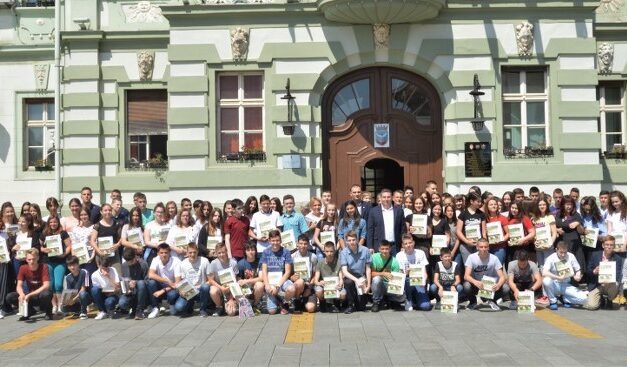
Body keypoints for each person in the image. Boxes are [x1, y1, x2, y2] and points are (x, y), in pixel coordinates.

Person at [6, 248, 53, 321]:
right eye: (29, 259)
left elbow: (46, 285)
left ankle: (48, 312)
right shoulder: (23, 268)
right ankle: (29, 311)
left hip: (40, 295)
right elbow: (18, 285)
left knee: (46, 294)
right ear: (26, 259)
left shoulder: (44, 267)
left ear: (38, 258)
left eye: (33, 259)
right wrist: (21, 294)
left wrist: (29, 295)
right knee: (10, 297)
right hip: (29, 296)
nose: (31, 261)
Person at [463, 239, 509, 311]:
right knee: (466, 285)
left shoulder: (494, 258)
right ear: (477, 247)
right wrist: (475, 282)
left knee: (506, 287)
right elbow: (466, 276)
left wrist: (498, 285)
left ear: (488, 247)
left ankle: (493, 301)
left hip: (491, 286)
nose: (483, 249)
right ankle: (473, 302)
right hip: (478, 285)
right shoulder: (471, 257)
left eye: (485, 247)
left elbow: (502, 277)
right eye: (481, 247)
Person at [39, 216, 72, 315]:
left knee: (58, 284)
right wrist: (43, 249)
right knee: (51, 285)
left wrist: (64, 254)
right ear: (48, 223)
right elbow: (39, 246)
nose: (53, 224)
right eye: (51, 222)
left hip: (60, 262)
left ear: (58, 223)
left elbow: (69, 245)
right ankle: (54, 305)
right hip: (48, 261)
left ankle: (60, 305)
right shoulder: (44, 233)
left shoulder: (63, 233)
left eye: (55, 222)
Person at [542, 241, 587, 310]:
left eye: (565, 252)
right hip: (554, 284)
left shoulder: (571, 256)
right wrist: (557, 277)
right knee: (546, 280)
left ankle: (565, 299)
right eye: (561, 252)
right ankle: (553, 301)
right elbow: (544, 272)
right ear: (556, 250)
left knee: (584, 298)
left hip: (566, 285)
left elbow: (578, 270)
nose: (563, 255)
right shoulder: (551, 258)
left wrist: (578, 276)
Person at [261, 230, 296, 315]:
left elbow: (287, 272)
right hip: (270, 282)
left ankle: (285, 302)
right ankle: (277, 298)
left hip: (282, 281)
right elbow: (264, 271)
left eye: (277, 240)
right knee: (272, 312)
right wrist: (267, 285)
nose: (275, 243)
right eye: (273, 240)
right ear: (269, 240)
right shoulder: (266, 252)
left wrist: (277, 286)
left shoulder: (286, 252)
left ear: (280, 241)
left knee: (292, 288)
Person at [584, 236, 624, 310]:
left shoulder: (617, 258)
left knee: (615, 285)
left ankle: (609, 299)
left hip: (610, 285)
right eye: (607, 245)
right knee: (592, 306)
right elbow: (588, 270)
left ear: (614, 246)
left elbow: (618, 274)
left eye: (611, 245)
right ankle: (600, 299)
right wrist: (594, 271)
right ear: (603, 245)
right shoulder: (594, 255)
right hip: (596, 285)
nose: (609, 247)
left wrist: (610, 280)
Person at [396, 234, 431, 311]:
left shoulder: (421, 253)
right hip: (407, 281)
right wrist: (406, 273)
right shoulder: (399, 255)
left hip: (419, 281)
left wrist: (424, 281)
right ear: (402, 245)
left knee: (426, 306)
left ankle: (415, 299)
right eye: (406, 243)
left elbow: (425, 272)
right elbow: (400, 275)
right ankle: (408, 300)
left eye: (410, 242)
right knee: (407, 280)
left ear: (413, 243)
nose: (408, 245)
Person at [340, 230, 371, 313]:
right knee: (348, 282)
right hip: (350, 277)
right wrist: (356, 280)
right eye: (349, 240)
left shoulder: (365, 250)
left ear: (357, 240)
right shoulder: (343, 252)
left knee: (361, 307)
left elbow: (368, 268)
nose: (352, 242)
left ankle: (359, 301)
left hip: (362, 277)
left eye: (353, 240)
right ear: (346, 242)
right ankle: (350, 305)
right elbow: (345, 272)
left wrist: (368, 284)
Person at [147, 243, 182, 318]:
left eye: (166, 252)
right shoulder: (155, 259)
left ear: (170, 253)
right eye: (161, 253)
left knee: (171, 295)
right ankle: (155, 308)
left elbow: (178, 283)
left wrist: (163, 290)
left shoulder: (176, 261)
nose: (164, 255)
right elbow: (150, 274)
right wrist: (166, 281)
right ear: (158, 253)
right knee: (151, 282)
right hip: (164, 283)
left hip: (173, 287)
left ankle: (171, 303)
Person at [176, 243, 211, 317]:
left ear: (198, 252)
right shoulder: (183, 264)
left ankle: (203, 310)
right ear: (187, 252)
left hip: (201, 290)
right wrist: (181, 290)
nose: (192, 254)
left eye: (194, 252)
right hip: (189, 290)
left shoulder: (205, 261)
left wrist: (200, 286)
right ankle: (189, 307)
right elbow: (181, 281)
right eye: (190, 252)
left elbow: (210, 280)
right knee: (179, 307)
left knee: (205, 287)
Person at [367, 189, 405, 254]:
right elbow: (370, 230)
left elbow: (403, 229)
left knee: (395, 264)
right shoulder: (373, 211)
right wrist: (370, 246)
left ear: (392, 198)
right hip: (379, 246)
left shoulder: (399, 211)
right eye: (384, 197)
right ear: (381, 198)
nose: (386, 199)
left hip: (395, 246)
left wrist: (403, 245)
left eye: (388, 197)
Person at [312, 241, 345, 313]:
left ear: (334, 251)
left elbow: (341, 278)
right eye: (327, 251)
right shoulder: (320, 263)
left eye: (331, 251)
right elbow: (315, 280)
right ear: (324, 251)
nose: (329, 253)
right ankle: (322, 303)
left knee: (343, 294)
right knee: (318, 291)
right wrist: (320, 282)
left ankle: (337, 303)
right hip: (324, 286)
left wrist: (340, 283)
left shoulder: (339, 262)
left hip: (336, 286)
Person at [555, 197, 585, 273]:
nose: (569, 207)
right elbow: (553, 227)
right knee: (563, 266)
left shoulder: (576, 215)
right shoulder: (558, 215)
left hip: (574, 243)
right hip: (562, 242)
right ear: (563, 205)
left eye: (571, 204)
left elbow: (581, 231)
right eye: (567, 204)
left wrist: (578, 224)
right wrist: (557, 230)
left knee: (575, 265)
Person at [90, 204, 123, 273]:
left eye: (109, 210)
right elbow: (92, 241)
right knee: (103, 277)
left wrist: (117, 245)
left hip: (114, 255)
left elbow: (121, 238)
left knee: (118, 275)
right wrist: (98, 251)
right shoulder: (97, 225)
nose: (107, 212)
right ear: (101, 212)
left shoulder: (116, 224)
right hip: (101, 256)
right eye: (105, 210)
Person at [118, 247, 150, 320]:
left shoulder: (143, 264)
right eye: (127, 261)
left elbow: (147, 281)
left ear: (135, 256)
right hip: (130, 291)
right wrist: (128, 286)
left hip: (142, 291)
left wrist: (136, 282)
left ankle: (139, 310)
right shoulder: (124, 265)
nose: (129, 263)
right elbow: (123, 280)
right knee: (122, 303)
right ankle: (133, 310)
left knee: (141, 283)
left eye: (131, 261)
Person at [290, 234, 318, 313]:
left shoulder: (313, 257)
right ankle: (297, 301)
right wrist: (292, 277)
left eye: (305, 244)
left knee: (311, 309)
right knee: (300, 282)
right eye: (301, 243)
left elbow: (315, 274)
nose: (303, 246)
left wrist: (309, 287)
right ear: (297, 244)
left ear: (308, 244)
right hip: (297, 284)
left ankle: (304, 302)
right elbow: (289, 274)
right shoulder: (292, 256)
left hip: (309, 285)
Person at [456, 192, 487, 264]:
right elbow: (458, 231)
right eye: (478, 201)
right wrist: (467, 241)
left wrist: (484, 244)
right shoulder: (463, 214)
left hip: (478, 245)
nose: (480, 203)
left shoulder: (481, 214)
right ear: (471, 201)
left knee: (479, 265)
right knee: (468, 266)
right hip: (465, 246)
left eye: (480, 201)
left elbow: (484, 232)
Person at [237, 241, 265, 314]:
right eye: (248, 250)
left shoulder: (260, 262)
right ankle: (246, 304)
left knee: (260, 285)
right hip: (246, 287)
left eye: (253, 250)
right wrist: (243, 283)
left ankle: (255, 305)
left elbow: (261, 278)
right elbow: (239, 279)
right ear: (245, 252)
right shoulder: (241, 264)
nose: (251, 252)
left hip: (255, 285)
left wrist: (247, 281)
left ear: (256, 251)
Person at [90, 255, 121, 320]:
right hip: (102, 294)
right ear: (98, 265)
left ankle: (110, 310)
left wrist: (108, 277)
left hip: (113, 294)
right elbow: (97, 290)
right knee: (94, 289)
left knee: (109, 302)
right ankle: (102, 311)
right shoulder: (94, 275)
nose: (106, 270)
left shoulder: (113, 270)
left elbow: (118, 287)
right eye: (103, 268)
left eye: (107, 268)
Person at [484, 197, 510, 266]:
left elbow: (508, 233)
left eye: (495, 204)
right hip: (487, 248)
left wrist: (502, 240)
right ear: (487, 207)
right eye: (491, 204)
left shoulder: (502, 218)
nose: (493, 206)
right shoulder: (484, 219)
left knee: (497, 268)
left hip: (500, 248)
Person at [71, 207, 96, 275]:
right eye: (81, 215)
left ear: (89, 215)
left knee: (89, 276)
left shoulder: (94, 227)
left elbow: (95, 242)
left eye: (85, 214)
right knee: (80, 277)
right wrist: (74, 257)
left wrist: (92, 256)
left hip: (90, 254)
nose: (83, 216)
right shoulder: (75, 229)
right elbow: (73, 243)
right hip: (78, 254)